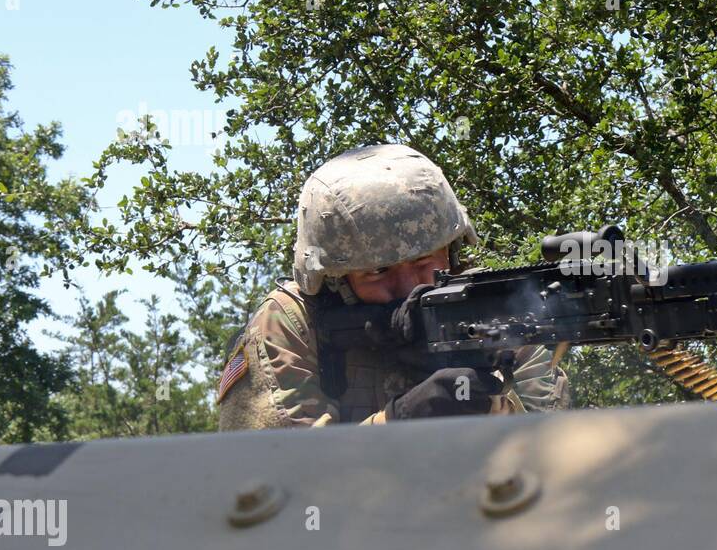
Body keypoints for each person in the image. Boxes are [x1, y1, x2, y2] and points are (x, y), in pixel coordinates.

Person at [216, 144, 570, 430]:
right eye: (378, 271)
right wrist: (400, 420)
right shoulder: (292, 325)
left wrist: (486, 400)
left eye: (424, 261)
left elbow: (553, 460)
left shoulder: (489, 309)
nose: (408, 287)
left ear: (453, 251)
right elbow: (281, 477)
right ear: (336, 279)